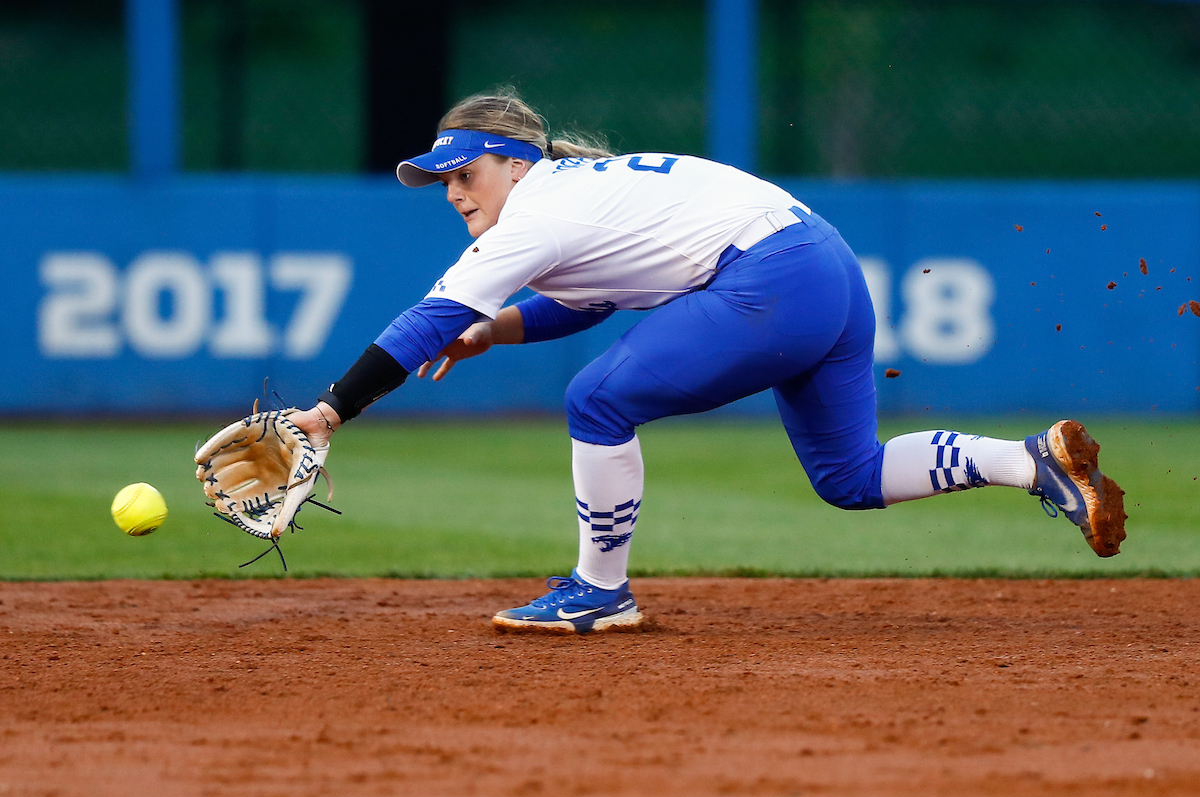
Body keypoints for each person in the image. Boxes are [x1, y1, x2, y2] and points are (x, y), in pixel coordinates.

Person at [288, 91, 1127, 634]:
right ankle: (1031, 462)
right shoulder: (578, 192)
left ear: (515, 162)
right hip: (823, 265)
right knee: (850, 476)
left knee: (596, 400)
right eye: (441, 181)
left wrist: (330, 411)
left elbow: (426, 319)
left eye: (465, 172)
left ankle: (599, 591)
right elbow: (591, 298)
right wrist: (494, 331)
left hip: (772, 278)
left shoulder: (538, 211)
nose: (453, 192)